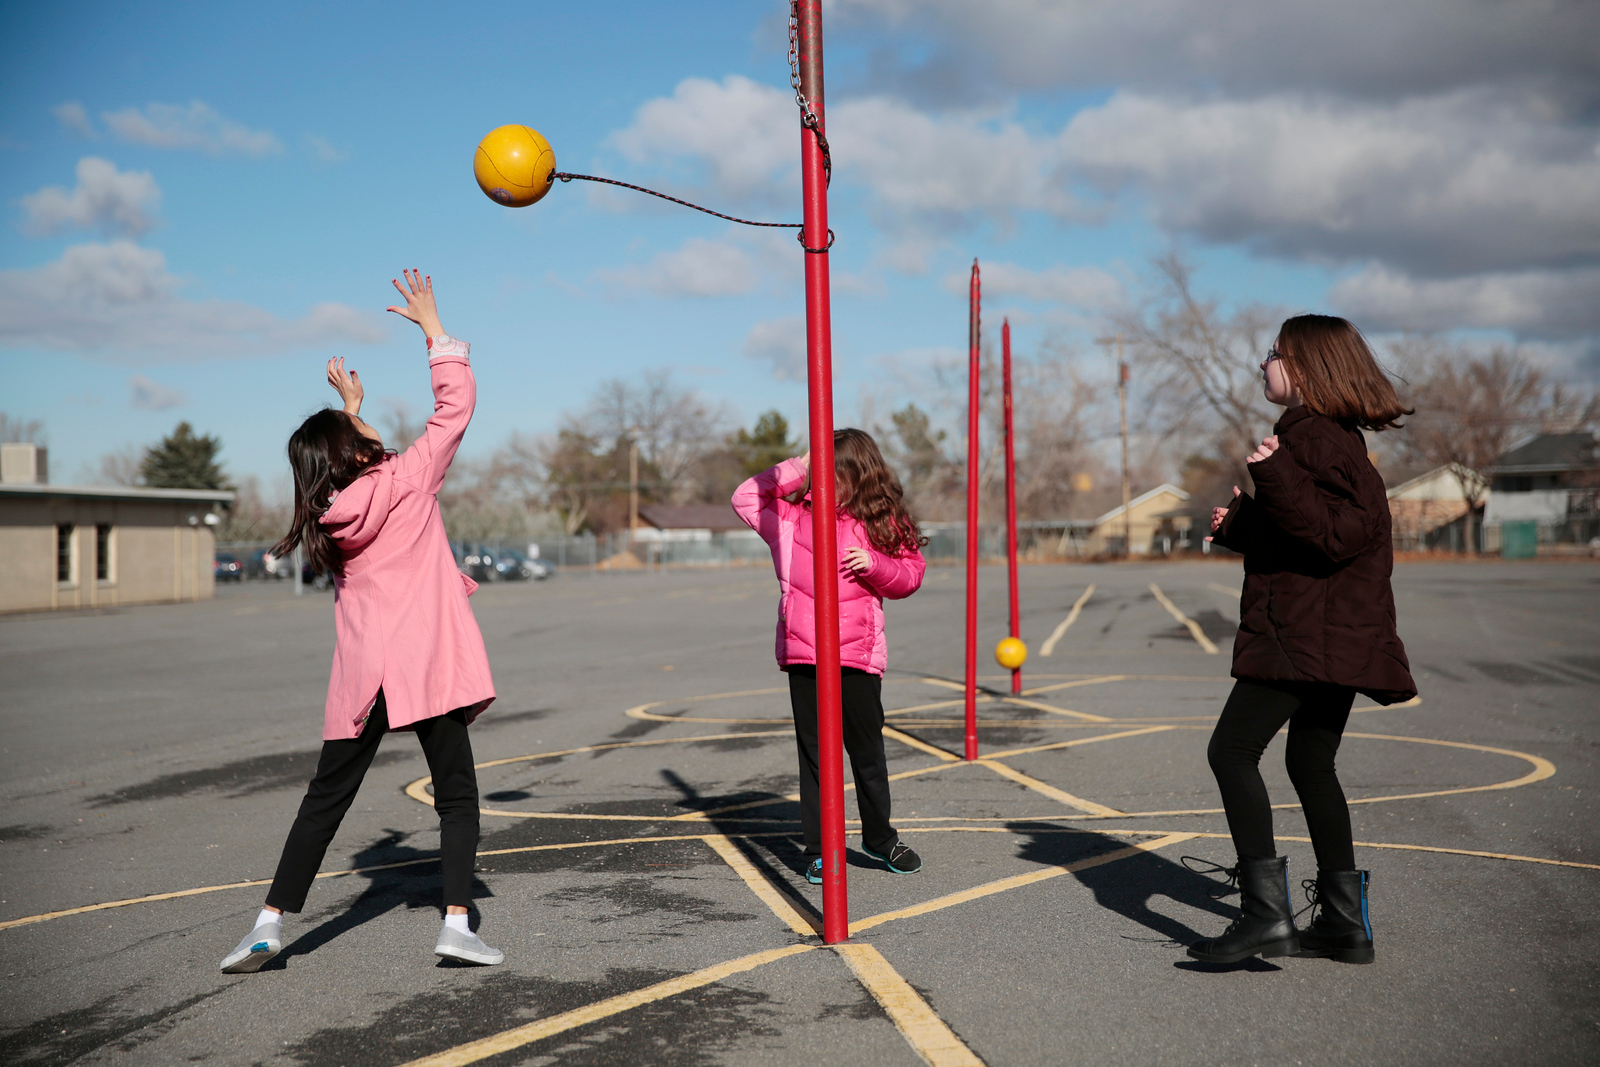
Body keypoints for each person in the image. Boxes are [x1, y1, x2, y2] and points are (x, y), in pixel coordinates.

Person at [221, 271, 501, 973]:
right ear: (355, 452)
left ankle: (267, 925)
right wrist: (436, 332)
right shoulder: (406, 480)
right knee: (457, 794)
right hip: (426, 667)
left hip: (363, 679)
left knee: (325, 800)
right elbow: (455, 406)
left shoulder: (328, 519)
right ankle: (457, 924)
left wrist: (351, 408)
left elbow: (360, 460)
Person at [1189, 313, 1416, 967]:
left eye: (1274, 354)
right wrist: (1243, 523)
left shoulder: (1312, 439)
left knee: (1231, 751)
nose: (1264, 363)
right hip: (1329, 633)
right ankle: (1344, 924)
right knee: (1309, 763)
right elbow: (1312, 539)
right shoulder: (1329, 439)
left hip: (1305, 635)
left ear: (1306, 370)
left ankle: (1264, 918)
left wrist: (1276, 476)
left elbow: (1335, 537)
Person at [732, 430, 928, 885]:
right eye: (815, 474)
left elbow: (911, 576)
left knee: (866, 753)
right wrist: (797, 466)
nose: (820, 483)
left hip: (857, 656)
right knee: (816, 757)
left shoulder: (881, 519)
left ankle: (879, 840)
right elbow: (745, 497)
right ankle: (820, 849)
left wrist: (876, 565)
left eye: (829, 474)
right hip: (805, 653)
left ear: (856, 475)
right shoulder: (790, 519)